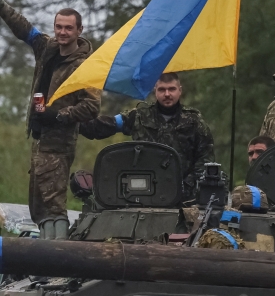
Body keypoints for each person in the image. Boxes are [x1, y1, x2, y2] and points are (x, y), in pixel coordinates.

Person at [0, 0, 99, 240]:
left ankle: (58, 257)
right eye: (58, 27)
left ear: (79, 30)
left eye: (68, 28)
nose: (62, 32)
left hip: (60, 142)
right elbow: (24, 28)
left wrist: (58, 115)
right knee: (39, 206)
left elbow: (91, 107)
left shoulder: (86, 66)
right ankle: (46, 254)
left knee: (54, 205)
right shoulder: (47, 48)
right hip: (39, 139)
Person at [79, 72, 215, 200]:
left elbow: (205, 157)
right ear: (155, 90)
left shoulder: (194, 121)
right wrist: (74, 123)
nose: (167, 94)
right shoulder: (139, 116)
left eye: (171, 89)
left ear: (180, 90)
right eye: (162, 90)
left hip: (183, 194)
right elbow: (106, 125)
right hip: (144, 192)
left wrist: (190, 185)